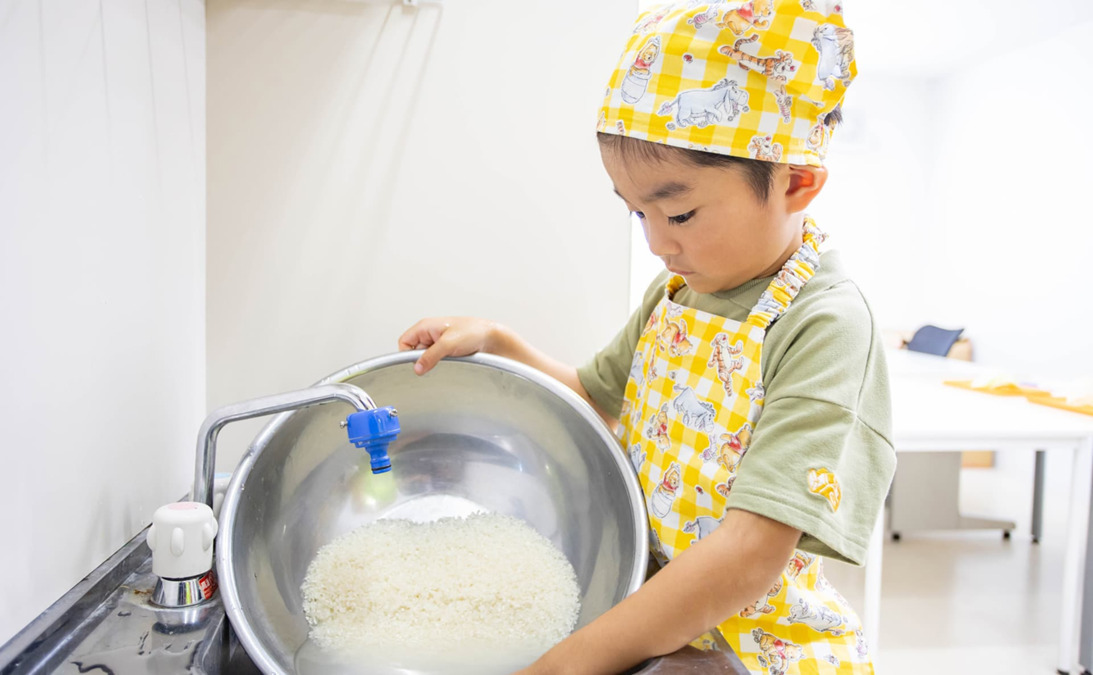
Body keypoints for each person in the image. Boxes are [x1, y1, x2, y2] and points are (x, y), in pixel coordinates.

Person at [398, 1, 894, 673]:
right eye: (637, 213)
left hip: (756, 651)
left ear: (795, 182)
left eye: (679, 211)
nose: (658, 242)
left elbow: (749, 550)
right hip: (663, 625)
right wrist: (498, 341)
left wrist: (568, 662)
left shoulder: (824, 324)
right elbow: (597, 397)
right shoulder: (675, 296)